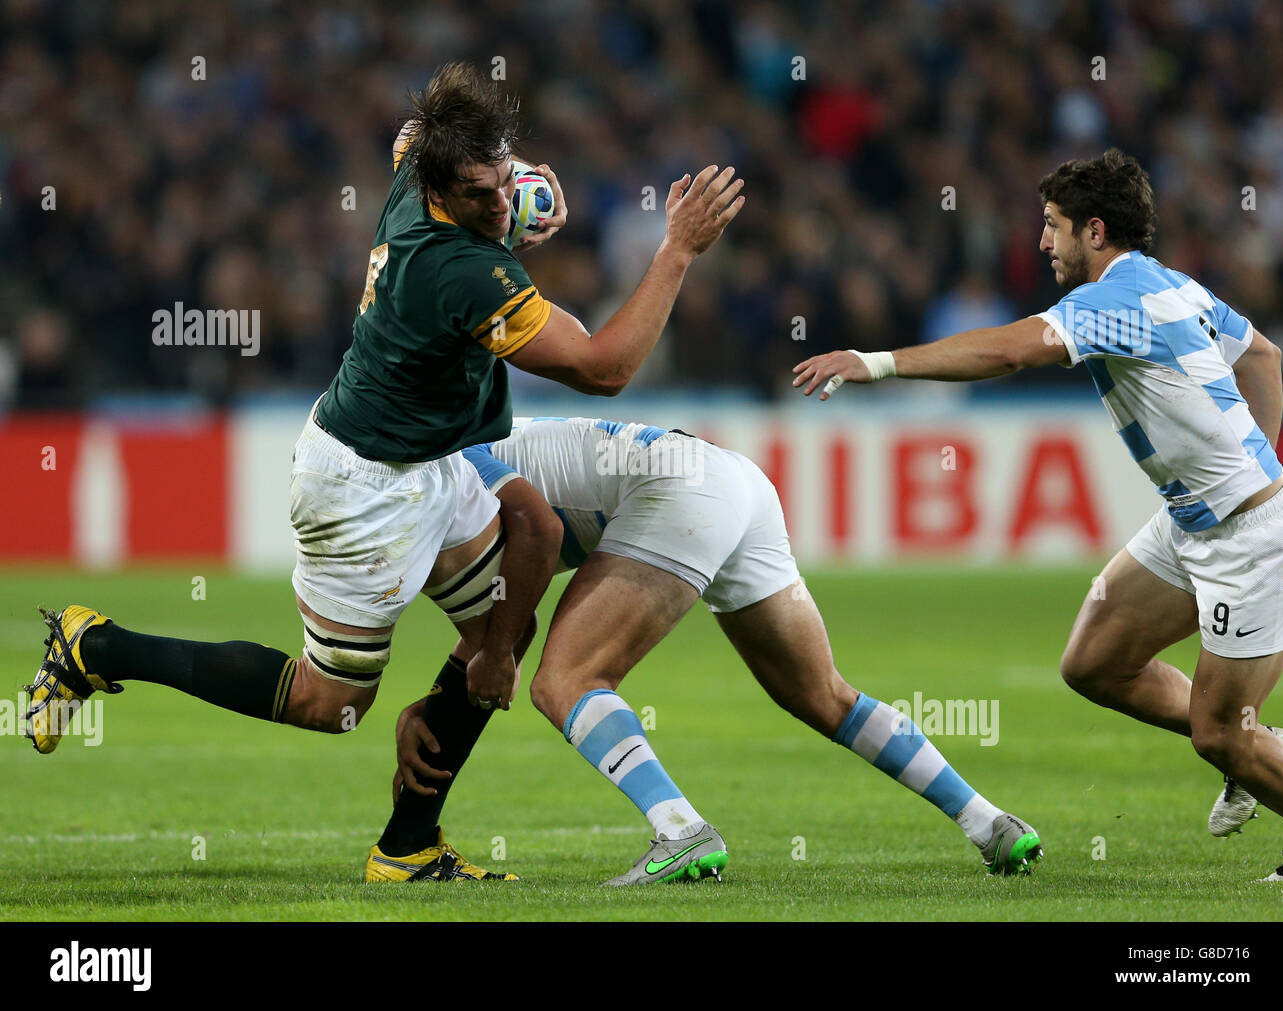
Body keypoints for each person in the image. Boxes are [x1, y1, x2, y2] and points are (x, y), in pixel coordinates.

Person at [25, 61, 746, 885]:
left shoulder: (421, 163)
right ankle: (98, 645)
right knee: (329, 706)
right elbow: (605, 367)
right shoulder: (459, 269)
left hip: (427, 460)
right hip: (359, 486)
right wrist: (678, 250)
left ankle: (407, 846)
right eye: (481, 196)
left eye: (502, 181)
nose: (500, 204)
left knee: (514, 594)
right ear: (440, 192)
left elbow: (415, 136)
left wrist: (527, 191)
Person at [792, 148, 1283, 883]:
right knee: (1094, 663)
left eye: (1053, 226)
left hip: (1250, 537)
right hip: (1195, 521)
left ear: (1095, 231)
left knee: (1218, 733)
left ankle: (1260, 760)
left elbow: (1005, 353)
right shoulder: (1172, 287)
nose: (1041, 242)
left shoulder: (1110, 302)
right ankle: (1264, 746)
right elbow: (1264, 356)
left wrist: (877, 362)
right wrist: (1256, 459)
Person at [388, 416, 1044, 884]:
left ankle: (680, 829)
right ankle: (989, 823)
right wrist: (445, 697)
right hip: (731, 479)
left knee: (566, 681)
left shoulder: (446, 464)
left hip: (679, 493)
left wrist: (465, 677)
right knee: (825, 695)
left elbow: (532, 555)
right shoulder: (480, 444)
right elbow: (508, 616)